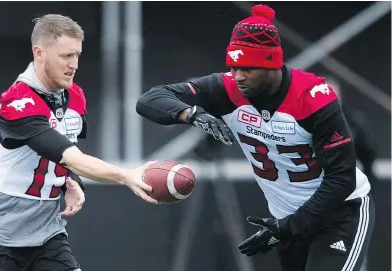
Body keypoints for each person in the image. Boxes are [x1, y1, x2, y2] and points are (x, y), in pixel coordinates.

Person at [136, 5, 374, 271]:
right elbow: (150, 99)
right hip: (286, 219)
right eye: (234, 66)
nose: (238, 76)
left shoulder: (312, 98)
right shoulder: (227, 88)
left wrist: (290, 225)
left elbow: (342, 179)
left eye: (247, 68)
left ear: (272, 63)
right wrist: (190, 113)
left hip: (339, 213)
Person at [0, 14, 157, 271]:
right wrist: (125, 176)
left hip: (46, 228)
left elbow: (65, 151)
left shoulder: (75, 95)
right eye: (66, 56)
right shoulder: (18, 102)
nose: (74, 64)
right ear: (39, 53)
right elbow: (65, 153)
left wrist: (70, 181)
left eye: (77, 55)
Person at [325, 75, 378, 186]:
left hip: (347, 181)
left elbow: (368, 153)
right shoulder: (305, 121)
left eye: (333, 93)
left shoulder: (353, 120)